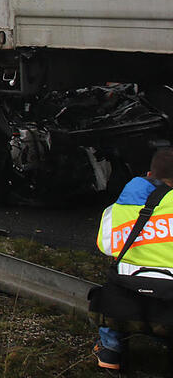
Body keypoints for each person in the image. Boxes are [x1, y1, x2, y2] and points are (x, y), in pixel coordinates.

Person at [93, 148, 173, 371]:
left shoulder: (120, 207)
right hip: (168, 306)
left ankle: (109, 351)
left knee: (113, 281)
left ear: (148, 175)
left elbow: (105, 246)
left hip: (128, 304)